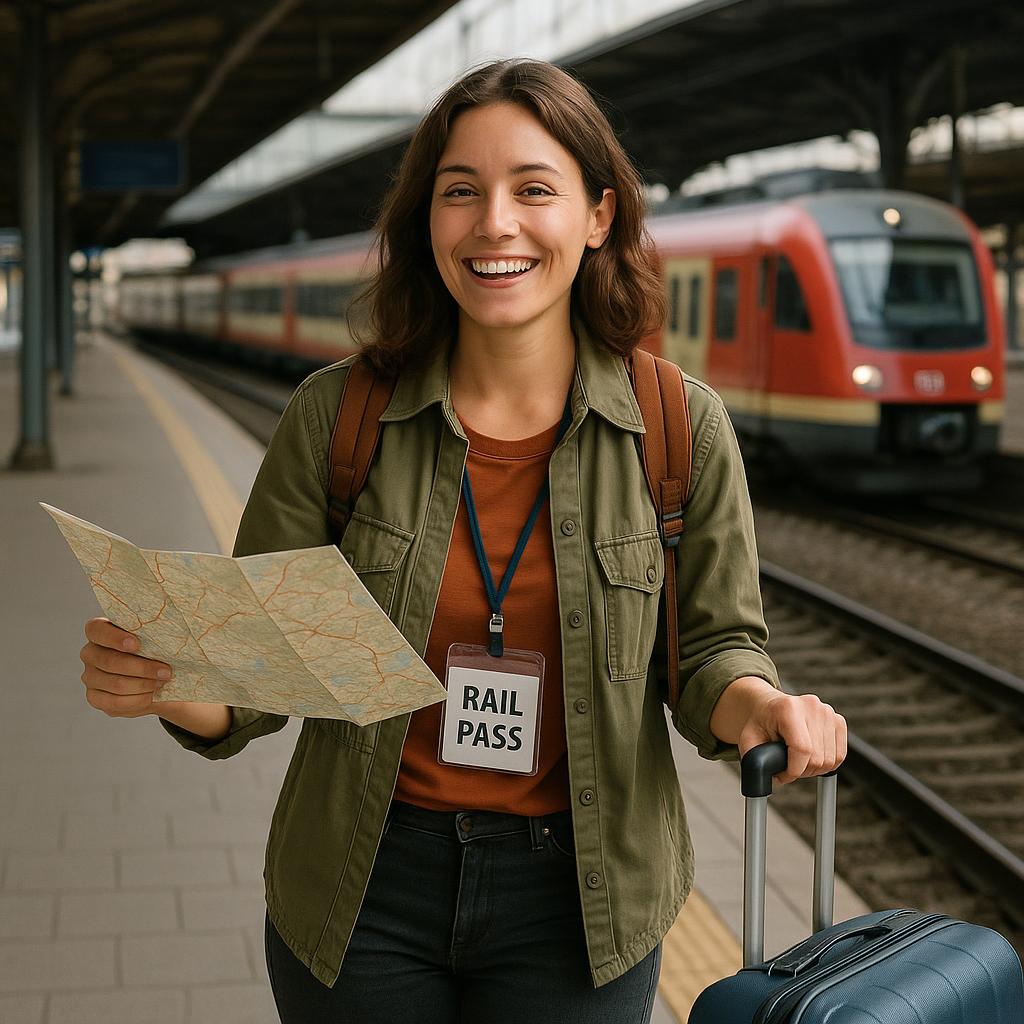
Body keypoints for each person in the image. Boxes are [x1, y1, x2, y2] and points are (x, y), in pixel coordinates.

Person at [78, 59, 847, 1023]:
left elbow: (715, 656)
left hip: (585, 900)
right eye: (460, 193)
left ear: (598, 216)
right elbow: (259, 667)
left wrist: (761, 708)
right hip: (363, 889)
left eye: (534, 189)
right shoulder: (337, 419)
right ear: (426, 221)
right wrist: (170, 683)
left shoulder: (679, 431)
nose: (495, 224)